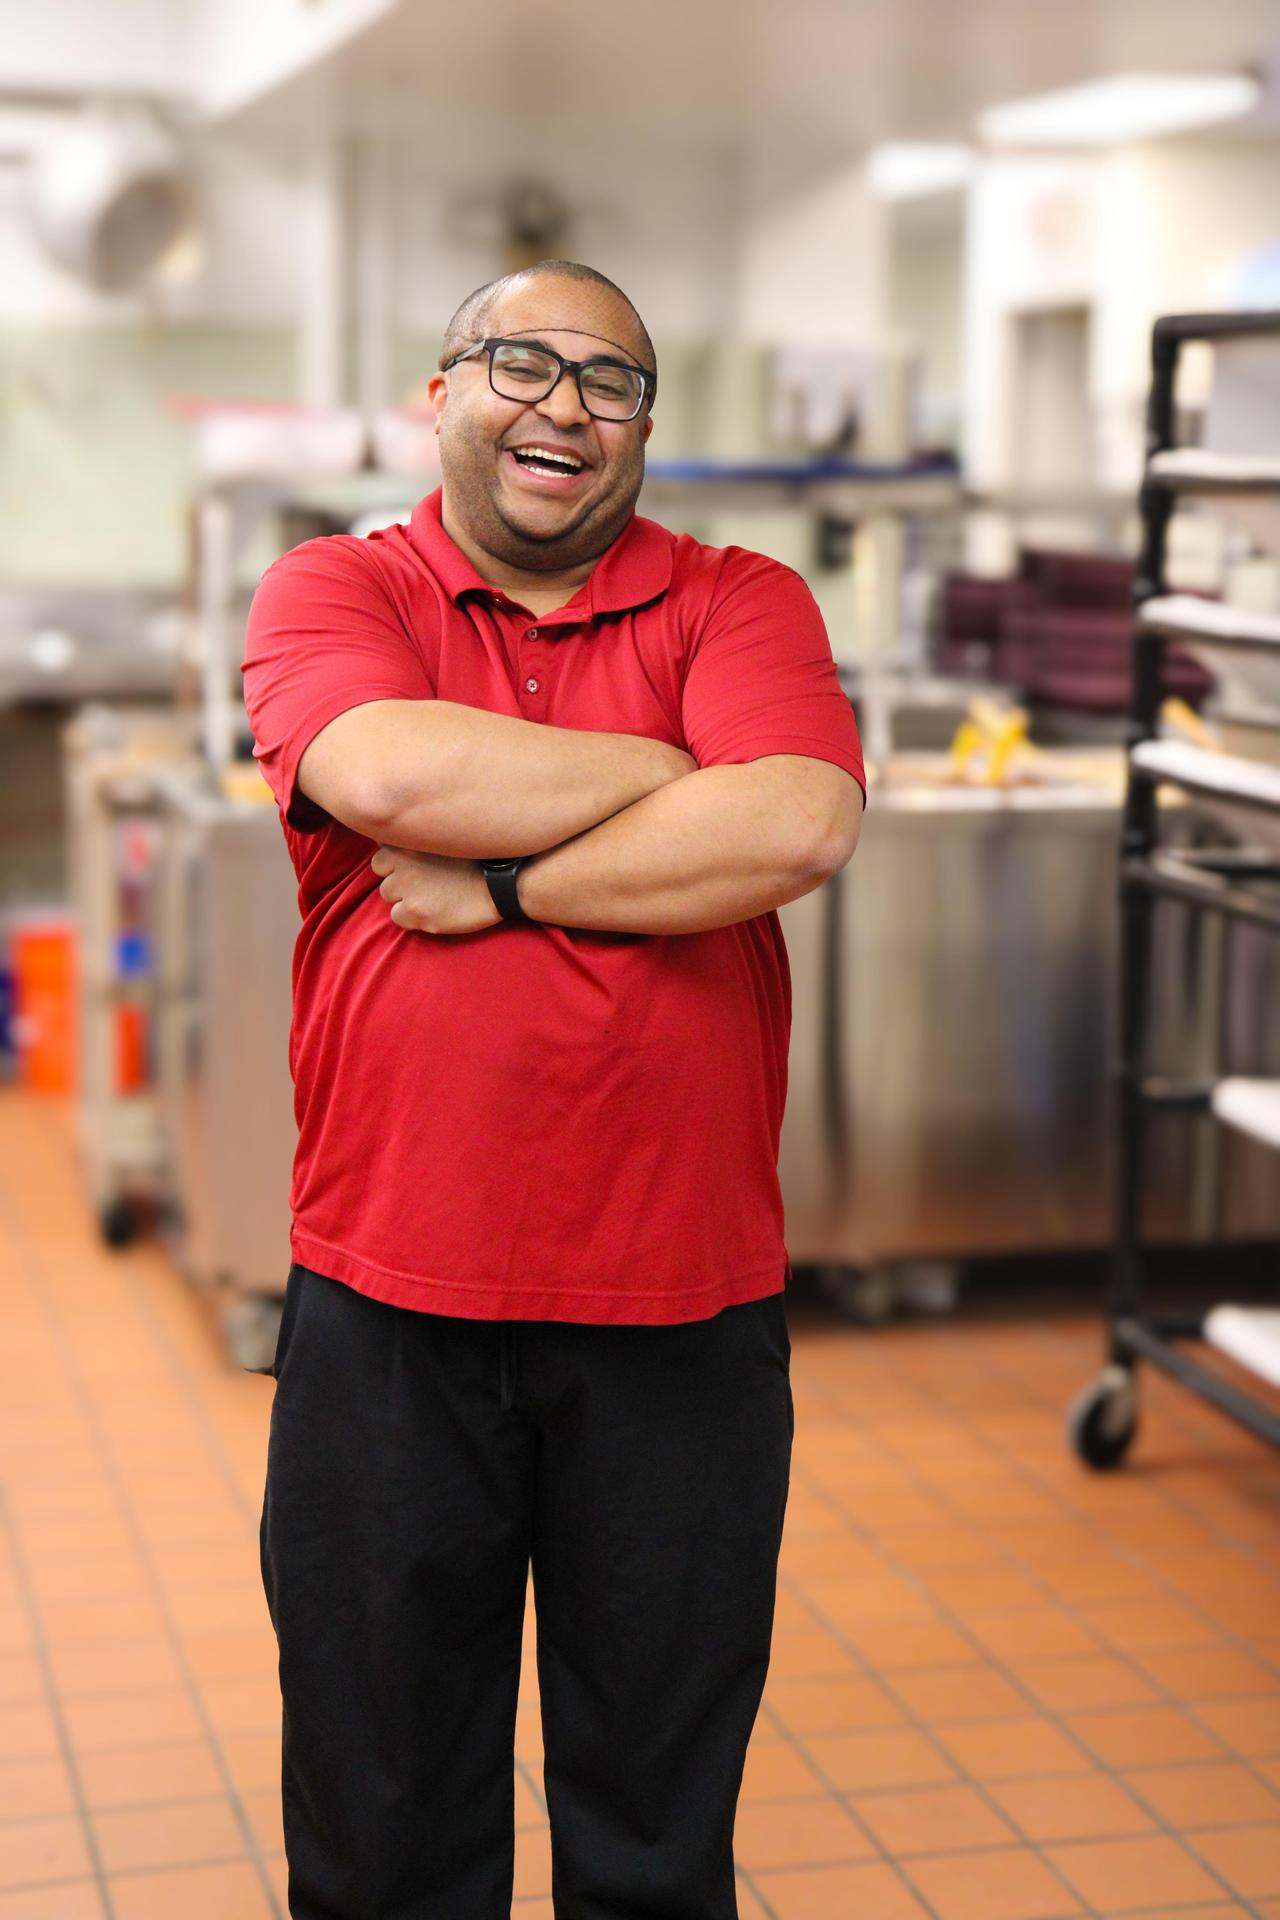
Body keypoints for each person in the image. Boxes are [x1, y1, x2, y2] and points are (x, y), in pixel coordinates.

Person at [241, 258, 865, 1920]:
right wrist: (672, 776)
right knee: (383, 1813)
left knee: (656, 1817)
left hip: (680, 1302)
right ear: (441, 394)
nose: (565, 408)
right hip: (391, 1294)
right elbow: (386, 768)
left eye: (610, 381)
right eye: (521, 363)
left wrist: (506, 885)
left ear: (643, 427)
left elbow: (798, 818)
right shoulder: (337, 588)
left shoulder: (739, 599)